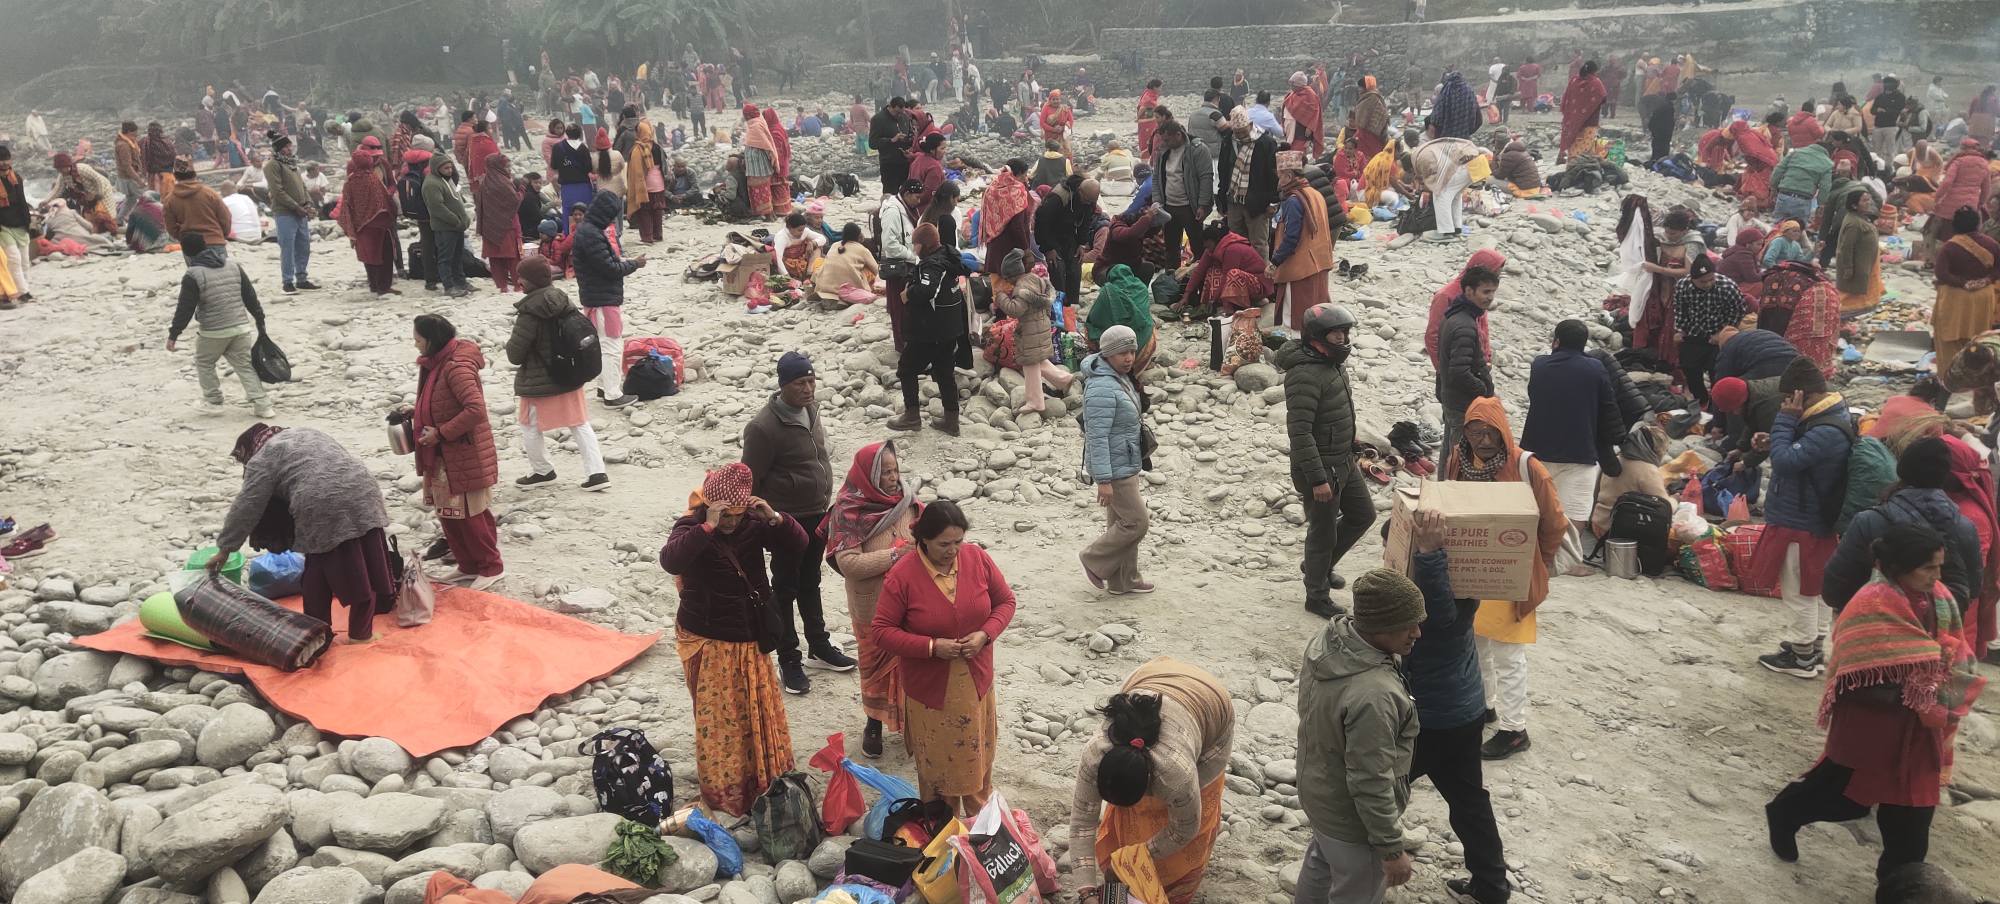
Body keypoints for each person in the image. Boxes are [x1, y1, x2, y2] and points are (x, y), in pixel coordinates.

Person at [1765, 523, 1984, 879]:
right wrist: (1913, 687)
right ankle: (1785, 813)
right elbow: (1852, 671)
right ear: (1897, 567)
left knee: (1912, 826)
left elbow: (1954, 648)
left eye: (1939, 566)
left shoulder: (1939, 597)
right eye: (1928, 568)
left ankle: (1901, 888)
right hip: (1872, 723)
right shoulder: (1871, 604)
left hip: (1919, 727)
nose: (1937, 576)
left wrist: (1934, 686)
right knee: (1844, 799)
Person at [660, 463, 804, 816]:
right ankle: (726, 795)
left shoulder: (753, 523)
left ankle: (763, 783)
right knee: (722, 722)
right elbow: (671, 561)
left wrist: (776, 518)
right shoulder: (691, 527)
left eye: (737, 515)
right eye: (725, 515)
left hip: (751, 637)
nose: (732, 522)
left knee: (756, 715)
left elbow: (800, 545)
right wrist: (707, 527)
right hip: (710, 639)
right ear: (710, 505)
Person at [1392, 510, 1514, 904]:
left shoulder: (1433, 609)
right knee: (1469, 801)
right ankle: (1491, 887)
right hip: (1464, 710)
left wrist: (1428, 553)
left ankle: (1354, 870)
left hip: (1432, 719)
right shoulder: (1467, 582)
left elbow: (1436, 615)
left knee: (1375, 791)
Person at [871, 500, 1016, 815]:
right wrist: (932, 647)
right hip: (931, 692)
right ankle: (941, 826)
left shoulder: (977, 558)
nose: (953, 551)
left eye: (958, 542)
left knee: (976, 759)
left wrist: (985, 634)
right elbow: (881, 631)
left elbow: (1005, 602)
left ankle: (979, 824)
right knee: (939, 770)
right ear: (924, 539)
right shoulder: (903, 575)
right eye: (944, 544)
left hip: (976, 682)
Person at [1444, 397, 1568, 762]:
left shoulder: (1528, 467)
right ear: (1464, 433)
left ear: (1503, 432)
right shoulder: (1458, 460)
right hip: (1472, 572)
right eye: (1475, 432)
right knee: (1475, 643)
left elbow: (1554, 522)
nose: (1483, 440)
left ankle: (1515, 730)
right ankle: (1485, 706)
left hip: (1511, 575)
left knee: (1508, 654)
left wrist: (1535, 565)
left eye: (1490, 433)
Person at [1292, 567, 1424, 904]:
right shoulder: (1374, 695)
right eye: (1408, 625)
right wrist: (1390, 848)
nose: (1417, 633)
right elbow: (1370, 779)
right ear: (1380, 626)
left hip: (1320, 794)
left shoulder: (1330, 640)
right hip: (1353, 821)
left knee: (1321, 863)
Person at [1069, 658, 1234, 904]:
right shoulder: (1094, 756)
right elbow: (1082, 823)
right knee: (1131, 821)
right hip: (1148, 678)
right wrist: (1087, 892)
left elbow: (1184, 829)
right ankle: (1125, 883)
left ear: (1150, 780)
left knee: (1182, 820)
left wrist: (1135, 858)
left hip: (1212, 704)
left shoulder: (1176, 775)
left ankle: (1172, 889)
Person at [212, 425, 394, 642]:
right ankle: (361, 633)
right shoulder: (307, 432)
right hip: (366, 491)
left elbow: (247, 505)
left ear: (250, 449)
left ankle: (318, 635)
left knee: (321, 569)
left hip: (320, 502)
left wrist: (225, 549)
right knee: (366, 564)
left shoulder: (262, 457)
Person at [742, 351, 854, 695]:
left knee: (811, 581)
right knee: (785, 587)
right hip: (786, 520)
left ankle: (818, 646)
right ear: (783, 385)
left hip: (817, 512)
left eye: (811, 381)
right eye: (800, 383)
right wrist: (766, 520)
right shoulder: (763, 427)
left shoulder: (811, 409)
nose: (808, 389)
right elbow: (751, 480)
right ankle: (788, 657)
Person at [1750, 357, 1856, 678]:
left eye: (1788, 398)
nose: (1785, 404)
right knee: (1814, 589)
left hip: (1800, 521)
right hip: (1812, 520)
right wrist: (1774, 440)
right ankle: (1814, 647)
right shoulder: (1827, 419)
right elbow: (1798, 454)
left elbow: (1786, 462)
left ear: (1801, 395)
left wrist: (1784, 421)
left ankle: (1802, 657)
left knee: (1799, 592)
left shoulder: (1826, 430)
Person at [1278, 304, 1371, 618]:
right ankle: (1316, 596)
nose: (1342, 338)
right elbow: (1300, 432)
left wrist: (1351, 440)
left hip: (1342, 458)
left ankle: (1318, 566)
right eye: (1336, 333)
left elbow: (1337, 411)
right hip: (1320, 469)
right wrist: (1318, 480)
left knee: (1363, 515)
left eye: (1345, 332)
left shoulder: (1332, 362)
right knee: (1323, 533)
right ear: (1318, 336)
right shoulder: (1303, 374)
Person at [827, 440, 918, 759]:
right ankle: (874, 724)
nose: (893, 478)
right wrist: (895, 555)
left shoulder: (908, 502)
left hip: (910, 603)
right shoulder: (848, 512)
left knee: (911, 667)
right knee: (874, 668)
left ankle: (913, 724)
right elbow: (848, 564)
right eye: (885, 473)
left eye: (895, 470)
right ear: (868, 476)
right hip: (872, 607)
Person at [403, 314, 504, 589]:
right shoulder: (437, 362)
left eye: (418, 340)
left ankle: (491, 566)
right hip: (442, 454)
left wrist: (441, 432)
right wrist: (418, 411)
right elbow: (442, 401)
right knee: (448, 512)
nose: (415, 345)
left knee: (470, 513)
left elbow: (475, 410)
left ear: (432, 340)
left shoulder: (456, 367)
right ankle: (468, 565)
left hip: (462, 452)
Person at [1825, 437, 1981, 613]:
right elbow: (1972, 589)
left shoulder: (1869, 521)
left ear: (1902, 470)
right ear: (1945, 475)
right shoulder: (1965, 527)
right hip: (1939, 626)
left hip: (1876, 622)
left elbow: (1835, 588)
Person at [1522, 320, 1624, 576]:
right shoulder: (1595, 368)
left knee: (1537, 504)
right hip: (1580, 449)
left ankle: (1530, 554)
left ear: (1556, 341)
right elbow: (1608, 406)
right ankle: (1564, 561)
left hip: (1538, 448)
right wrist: (1615, 437)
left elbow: (1534, 394)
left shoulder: (1539, 365)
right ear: (1584, 344)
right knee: (1575, 508)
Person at [507, 256, 608, 493]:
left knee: (529, 426)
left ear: (530, 281)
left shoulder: (529, 311)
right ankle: (597, 473)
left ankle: (542, 471)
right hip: (569, 374)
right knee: (579, 423)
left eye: (521, 277)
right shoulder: (562, 300)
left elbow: (515, 355)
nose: (519, 281)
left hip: (539, 381)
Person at [1078, 324, 1152, 595]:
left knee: (1120, 522)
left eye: (1132, 351)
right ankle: (1093, 559)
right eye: (1122, 353)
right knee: (1136, 522)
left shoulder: (1118, 377)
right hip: (1115, 468)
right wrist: (1103, 480)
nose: (1129, 358)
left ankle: (1123, 581)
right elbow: (1096, 437)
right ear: (1108, 354)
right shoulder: (1101, 387)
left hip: (1125, 460)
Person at [167, 232, 272, 418]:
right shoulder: (233, 265)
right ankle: (263, 405)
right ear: (205, 246)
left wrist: (174, 334)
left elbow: (185, 308)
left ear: (187, 253)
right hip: (240, 326)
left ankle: (213, 401)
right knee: (244, 365)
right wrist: (259, 319)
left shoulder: (193, 274)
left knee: (204, 362)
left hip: (214, 331)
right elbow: (250, 296)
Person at [888, 223, 969, 435]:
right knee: (944, 372)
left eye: (915, 244)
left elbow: (927, 290)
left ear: (924, 245)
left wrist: (908, 294)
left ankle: (912, 416)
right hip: (950, 328)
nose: (914, 249)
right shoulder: (949, 257)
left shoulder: (932, 264)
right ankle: (951, 420)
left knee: (906, 369)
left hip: (930, 331)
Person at [573, 192, 646, 408]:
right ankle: (612, 394)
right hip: (603, 299)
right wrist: (634, 264)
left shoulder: (587, 230)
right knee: (611, 344)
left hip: (594, 297)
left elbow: (604, 262)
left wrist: (625, 262)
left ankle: (604, 386)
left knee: (602, 343)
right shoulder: (592, 234)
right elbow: (609, 268)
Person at [994, 249, 1071, 413]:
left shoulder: (1021, 288)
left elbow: (1015, 310)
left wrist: (1000, 297)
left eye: (1007, 277)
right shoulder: (1036, 279)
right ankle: (1064, 380)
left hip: (1030, 330)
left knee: (1029, 365)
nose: (1007, 281)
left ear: (1013, 274)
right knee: (1038, 360)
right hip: (1042, 326)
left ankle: (1035, 401)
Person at [1437, 265, 1500, 458]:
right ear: (1469, 291)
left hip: (1452, 397)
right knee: (1460, 457)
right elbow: (1459, 372)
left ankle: (1444, 478)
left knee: (1450, 451)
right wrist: (1482, 389)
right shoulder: (1464, 325)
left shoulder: (1454, 314)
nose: (1490, 297)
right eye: (1485, 292)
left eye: (1493, 292)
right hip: (1462, 403)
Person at [1270, 152, 1335, 330]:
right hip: (1319, 262)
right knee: (1317, 313)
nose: (1278, 182)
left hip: (1300, 268)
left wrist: (1275, 262)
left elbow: (1291, 238)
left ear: (1289, 176)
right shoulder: (1315, 193)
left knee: (1297, 318)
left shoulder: (1293, 200)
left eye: (1280, 177)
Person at [1672, 254, 1748, 405]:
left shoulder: (1727, 286)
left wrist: (1722, 333)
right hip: (1693, 334)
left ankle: (1716, 404)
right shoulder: (1682, 286)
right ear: (1693, 279)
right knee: (1690, 369)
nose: (1707, 284)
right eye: (1702, 281)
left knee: (1717, 372)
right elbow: (1680, 309)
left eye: (1711, 279)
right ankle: (1701, 400)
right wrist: (1680, 330)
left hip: (1718, 335)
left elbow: (1738, 311)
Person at [1933, 207, 2000, 377]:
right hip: (1983, 296)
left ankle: (1949, 376)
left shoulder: (1949, 246)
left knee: (1949, 338)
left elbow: (1941, 273)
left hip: (1955, 297)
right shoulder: (1992, 244)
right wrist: (1986, 280)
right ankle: (1975, 376)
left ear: (1955, 225)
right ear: (1978, 224)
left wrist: (1963, 283)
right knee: (1977, 338)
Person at [1217, 109, 1280, 260]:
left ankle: (1260, 273)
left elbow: (1273, 175)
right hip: (1234, 200)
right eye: (1237, 132)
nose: (1240, 135)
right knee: (1236, 242)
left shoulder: (1266, 143)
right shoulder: (1228, 141)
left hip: (1258, 203)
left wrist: (1272, 201)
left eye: (1243, 131)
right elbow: (1223, 170)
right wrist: (1221, 198)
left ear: (1250, 125)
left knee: (1258, 243)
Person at [1591, 424, 1672, 538]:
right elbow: (1666, 507)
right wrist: (1676, 500)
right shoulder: (1648, 470)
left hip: (1599, 523)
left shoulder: (1614, 461)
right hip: (1623, 529)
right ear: (1656, 450)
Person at [263, 134, 316, 294]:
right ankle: (287, 282)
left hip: (300, 211)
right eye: (286, 147)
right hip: (285, 212)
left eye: (289, 146)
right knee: (287, 247)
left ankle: (302, 278)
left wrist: (308, 203)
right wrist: (295, 206)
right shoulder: (272, 165)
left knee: (303, 246)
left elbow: (302, 186)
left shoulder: (292, 163)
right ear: (279, 149)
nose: (289, 149)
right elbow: (277, 191)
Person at [419, 153, 470, 298]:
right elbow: (437, 207)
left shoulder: (446, 179)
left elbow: (456, 198)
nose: (450, 170)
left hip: (457, 226)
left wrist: (464, 219)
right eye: (446, 168)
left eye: (450, 167)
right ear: (437, 168)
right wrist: (455, 220)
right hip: (446, 227)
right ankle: (449, 286)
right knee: (446, 258)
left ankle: (461, 282)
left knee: (457, 256)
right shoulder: (432, 184)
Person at [1412, 136, 1482, 242]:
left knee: (1440, 195)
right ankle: (1456, 228)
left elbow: (1433, 179)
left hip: (1465, 166)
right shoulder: (1429, 149)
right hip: (1477, 165)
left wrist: (1426, 188)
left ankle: (1445, 232)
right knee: (1455, 195)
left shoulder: (1420, 158)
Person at [475, 153, 524, 292]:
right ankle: (517, 285)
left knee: (495, 258)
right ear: (498, 167)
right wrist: (521, 190)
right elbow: (514, 201)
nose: (509, 170)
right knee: (513, 257)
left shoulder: (484, 183)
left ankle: (502, 286)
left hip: (490, 227)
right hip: (507, 226)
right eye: (507, 166)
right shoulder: (504, 182)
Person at [1834, 188, 1886, 317]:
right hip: (1858, 265)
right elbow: (1846, 247)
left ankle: (1862, 308)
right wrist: (1848, 268)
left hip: (1866, 263)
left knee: (1866, 287)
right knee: (1850, 292)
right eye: (1864, 200)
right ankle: (1842, 314)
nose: (1869, 203)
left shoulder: (1860, 218)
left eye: (1869, 199)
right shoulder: (1853, 223)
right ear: (1854, 205)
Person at [163, 161, 230, 250]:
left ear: (175, 177)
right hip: (215, 242)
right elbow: (225, 218)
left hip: (190, 246)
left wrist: (184, 238)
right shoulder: (210, 193)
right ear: (194, 175)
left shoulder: (170, 199)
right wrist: (220, 235)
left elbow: (170, 227)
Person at [980, 160, 1034, 266]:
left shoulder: (992, 188)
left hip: (994, 243)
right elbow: (1017, 226)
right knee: (1009, 275)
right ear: (1019, 174)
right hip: (1011, 248)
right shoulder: (1016, 192)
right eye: (1025, 175)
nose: (1026, 178)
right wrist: (1026, 251)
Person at [1771, 137, 1836, 225]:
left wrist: (1773, 187)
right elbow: (1825, 187)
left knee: (1778, 225)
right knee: (1798, 227)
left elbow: (1778, 170)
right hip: (1802, 200)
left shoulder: (1795, 153)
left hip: (1784, 195)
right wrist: (1821, 204)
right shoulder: (1827, 163)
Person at [622, 120, 667, 244]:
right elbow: (664, 165)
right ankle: (658, 235)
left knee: (644, 211)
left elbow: (635, 170)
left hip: (645, 185)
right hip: (659, 183)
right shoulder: (657, 147)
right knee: (657, 210)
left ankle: (647, 237)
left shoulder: (638, 149)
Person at [814, 223, 880, 305]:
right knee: (866, 270)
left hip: (823, 288)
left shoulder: (834, 245)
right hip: (846, 288)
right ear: (859, 236)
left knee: (819, 261)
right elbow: (877, 271)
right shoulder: (862, 250)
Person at [0, 147, 32, 304]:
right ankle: (22, 292)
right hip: (3, 227)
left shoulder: (16, 178)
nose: (4, 163)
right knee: (14, 259)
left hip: (20, 225)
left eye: (6, 159)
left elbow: (22, 201)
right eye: (1, 160)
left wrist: (28, 222)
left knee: (25, 261)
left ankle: (25, 287)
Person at [871, 98, 915, 196]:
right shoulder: (878, 119)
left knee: (906, 194)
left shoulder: (904, 117)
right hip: (889, 164)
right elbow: (872, 143)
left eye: (902, 112)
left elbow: (911, 135)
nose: (899, 115)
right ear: (890, 107)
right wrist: (891, 140)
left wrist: (908, 140)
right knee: (889, 195)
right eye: (897, 112)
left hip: (905, 163)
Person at [1283, 71, 1325, 157]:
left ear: (1299, 85)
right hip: (1291, 129)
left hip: (1302, 130)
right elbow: (1287, 104)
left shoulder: (1310, 94)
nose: (1291, 87)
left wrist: (1310, 126)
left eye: (1293, 85)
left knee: (1298, 153)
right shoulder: (1292, 94)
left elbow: (1315, 112)